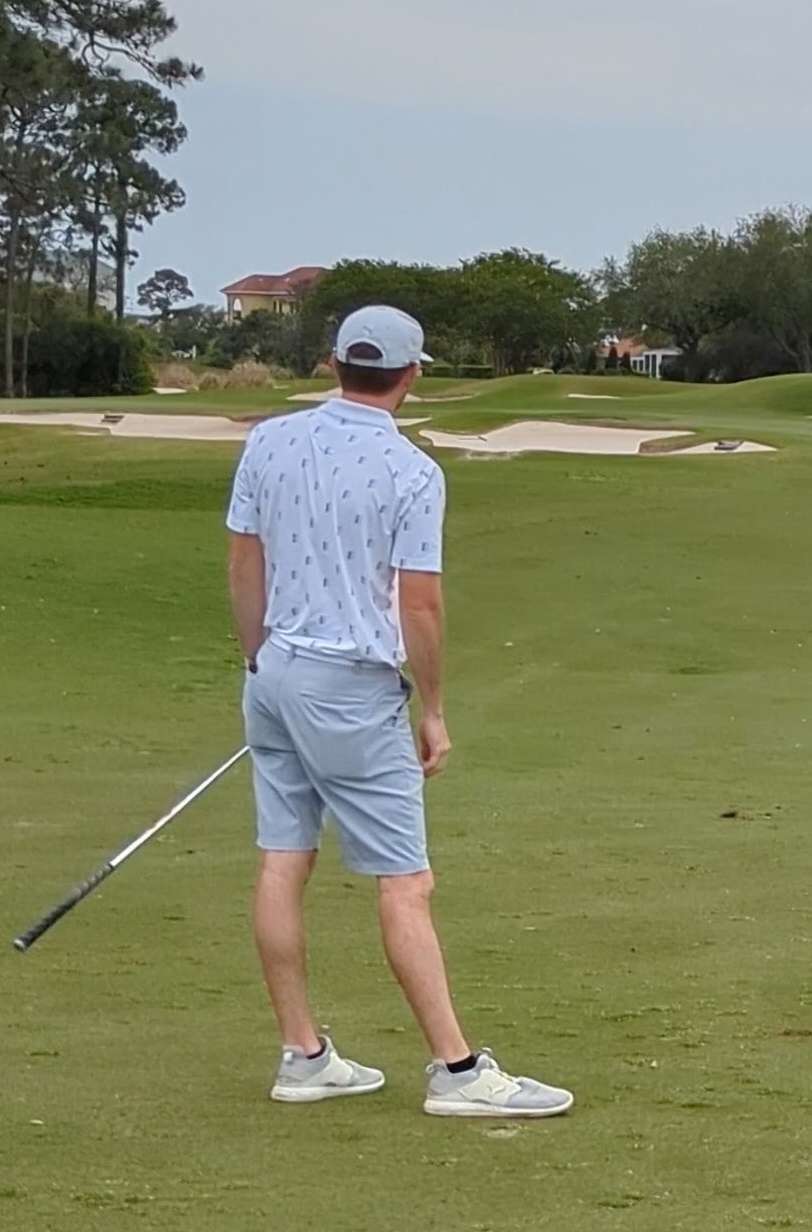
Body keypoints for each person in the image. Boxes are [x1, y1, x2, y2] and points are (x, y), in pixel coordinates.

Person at [225, 305, 572, 1119]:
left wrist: (258, 659)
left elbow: (245, 561)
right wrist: (436, 707)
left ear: (333, 362)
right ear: (412, 375)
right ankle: (456, 1071)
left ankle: (302, 1054)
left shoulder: (267, 440)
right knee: (405, 883)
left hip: (273, 674)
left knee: (283, 859)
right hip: (350, 689)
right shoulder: (411, 470)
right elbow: (420, 606)